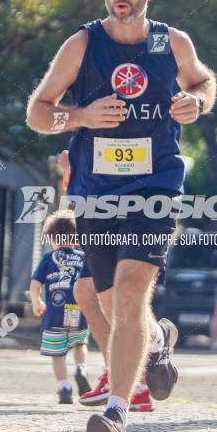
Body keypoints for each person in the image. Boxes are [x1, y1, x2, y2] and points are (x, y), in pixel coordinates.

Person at [26, 0, 217, 432]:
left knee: (132, 293)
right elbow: (39, 114)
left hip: (155, 186)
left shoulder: (172, 42)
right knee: (112, 304)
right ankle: (157, 345)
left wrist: (195, 102)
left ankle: (116, 415)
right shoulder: (82, 45)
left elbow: (202, 82)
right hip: (94, 192)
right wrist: (83, 117)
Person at [57, 151, 154, 411]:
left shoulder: (137, 120)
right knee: (86, 291)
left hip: (134, 201)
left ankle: (140, 376)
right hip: (95, 205)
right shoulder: (83, 123)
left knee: (122, 292)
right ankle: (123, 370)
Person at [30, 211, 92, 404]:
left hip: (54, 313)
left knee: (57, 353)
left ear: (51, 237)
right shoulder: (83, 257)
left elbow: (35, 284)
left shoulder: (48, 259)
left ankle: (64, 387)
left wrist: (36, 302)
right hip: (78, 308)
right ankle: (81, 368)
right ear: (76, 236)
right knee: (80, 343)